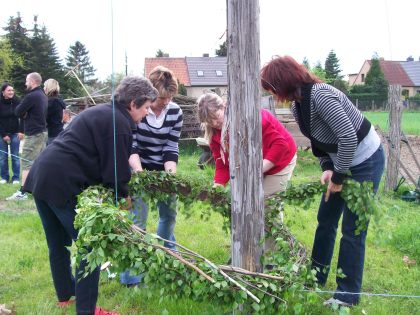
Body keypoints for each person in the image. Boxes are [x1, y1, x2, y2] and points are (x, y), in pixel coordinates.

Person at [23, 76, 158, 315]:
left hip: (41, 175)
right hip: (61, 182)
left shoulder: (104, 112)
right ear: (134, 103)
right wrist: (123, 198)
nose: (147, 113)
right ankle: (87, 310)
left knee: (58, 244)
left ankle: (66, 296)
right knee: (91, 246)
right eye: (147, 107)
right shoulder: (121, 123)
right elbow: (115, 171)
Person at [260, 55, 385, 307]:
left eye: (272, 88)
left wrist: (338, 177)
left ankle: (346, 296)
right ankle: (315, 278)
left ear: (283, 81)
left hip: (366, 161)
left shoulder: (321, 96)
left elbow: (348, 137)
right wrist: (328, 167)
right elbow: (318, 143)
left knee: (353, 230)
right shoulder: (298, 105)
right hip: (342, 161)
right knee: (325, 220)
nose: (272, 94)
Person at [121, 66, 183, 286]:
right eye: (161, 98)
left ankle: (168, 260)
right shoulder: (140, 111)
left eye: (170, 97)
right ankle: (131, 276)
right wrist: (141, 176)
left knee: (169, 215)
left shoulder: (175, 112)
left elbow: (171, 146)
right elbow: (132, 146)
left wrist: (170, 176)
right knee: (138, 220)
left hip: (162, 168)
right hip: (138, 167)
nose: (166, 102)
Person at [197, 92, 297, 196]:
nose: (214, 123)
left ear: (223, 107)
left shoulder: (248, 117)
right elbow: (222, 163)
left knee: (264, 201)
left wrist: (255, 170)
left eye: (217, 116)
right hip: (256, 162)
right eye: (209, 121)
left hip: (282, 157)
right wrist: (217, 187)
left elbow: (281, 145)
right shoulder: (214, 134)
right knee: (245, 198)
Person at [7, 72, 48, 200]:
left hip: (34, 133)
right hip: (42, 132)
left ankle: (23, 192)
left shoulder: (31, 96)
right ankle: (38, 189)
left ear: (32, 82)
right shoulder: (42, 95)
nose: (25, 83)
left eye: (26, 81)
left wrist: (24, 114)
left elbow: (18, 111)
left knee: (26, 161)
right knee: (38, 162)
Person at [0, 83, 23, 185]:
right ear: (3, 92)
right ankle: (4, 177)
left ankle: (16, 178)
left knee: (15, 156)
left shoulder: (17, 101)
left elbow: (23, 117)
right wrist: (4, 134)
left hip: (15, 133)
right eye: (9, 90)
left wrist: (22, 131)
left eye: (12, 90)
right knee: (3, 157)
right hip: (2, 134)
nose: (11, 92)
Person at [44, 78, 67, 145]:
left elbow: (44, 118)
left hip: (52, 134)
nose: (44, 88)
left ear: (49, 87)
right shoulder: (59, 100)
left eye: (45, 86)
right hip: (58, 131)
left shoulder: (52, 102)